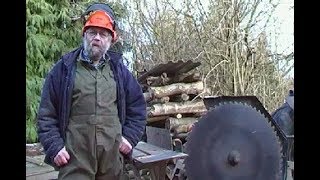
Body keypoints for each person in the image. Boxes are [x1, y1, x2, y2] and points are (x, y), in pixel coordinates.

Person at [37, 2, 147, 179]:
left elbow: (138, 109)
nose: (97, 38)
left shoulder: (120, 72)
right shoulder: (64, 69)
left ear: (111, 40)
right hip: (74, 159)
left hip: (112, 160)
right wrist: (54, 147)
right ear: (84, 34)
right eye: (92, 32)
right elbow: (46, 114)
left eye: (103, 34)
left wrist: (130, 138)